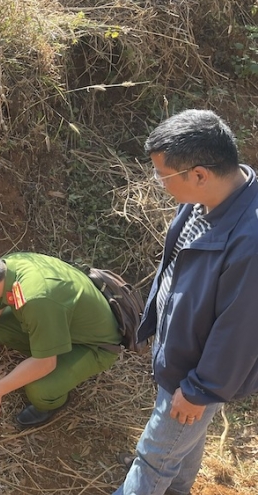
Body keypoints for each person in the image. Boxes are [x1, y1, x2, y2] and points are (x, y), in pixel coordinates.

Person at [114, 109, 258, 495]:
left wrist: (200, 389)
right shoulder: (205, 199)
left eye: (163, 175)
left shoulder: (250, 240)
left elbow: (242, 329)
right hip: (182, 355)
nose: (159, 183)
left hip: (197, 373)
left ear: (199, 174)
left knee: (151, 459)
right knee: (180, 449)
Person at [0, 247, 120, 427]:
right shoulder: (5, 268)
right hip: (61, 321)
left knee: (39, 389)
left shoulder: (37, 299)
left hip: (94, 345)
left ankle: (51, 403)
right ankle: (46, 348)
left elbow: (46, 363)